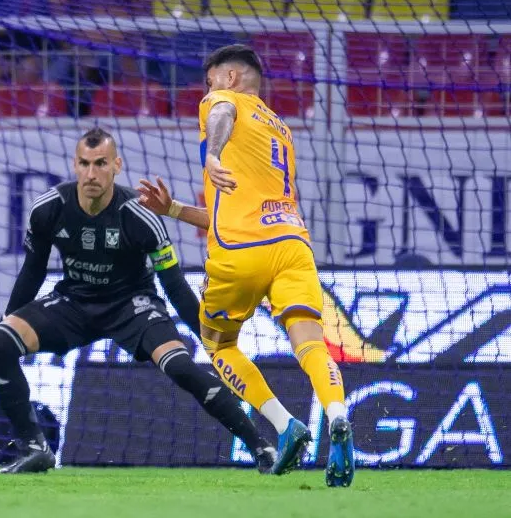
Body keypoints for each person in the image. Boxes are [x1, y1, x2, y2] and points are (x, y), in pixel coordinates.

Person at [0, 127, 277, 474]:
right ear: (75, 165)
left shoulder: (140, 216)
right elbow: (32, 272)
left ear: (116, 165)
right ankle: (36, 449)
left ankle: (261, 446)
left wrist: (211, 342)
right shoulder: (49, 208)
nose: (92, 173)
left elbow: (175, 285)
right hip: (74, 302)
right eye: (85, 164)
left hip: (132, 305)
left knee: (181, 366)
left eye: (101, 164)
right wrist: (7, 319)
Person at [136, 44, 355, 487]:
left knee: (217, 344)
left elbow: (219, 116)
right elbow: (235, 205)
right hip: (293, 245)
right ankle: (337, 415)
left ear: (230, 78)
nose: (208, 88)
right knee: (311, 343)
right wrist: (175, 208)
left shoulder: (222, 103)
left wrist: (212, 154)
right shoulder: (281, 130)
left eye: (211, 79)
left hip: (241, 253)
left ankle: (284, 423)